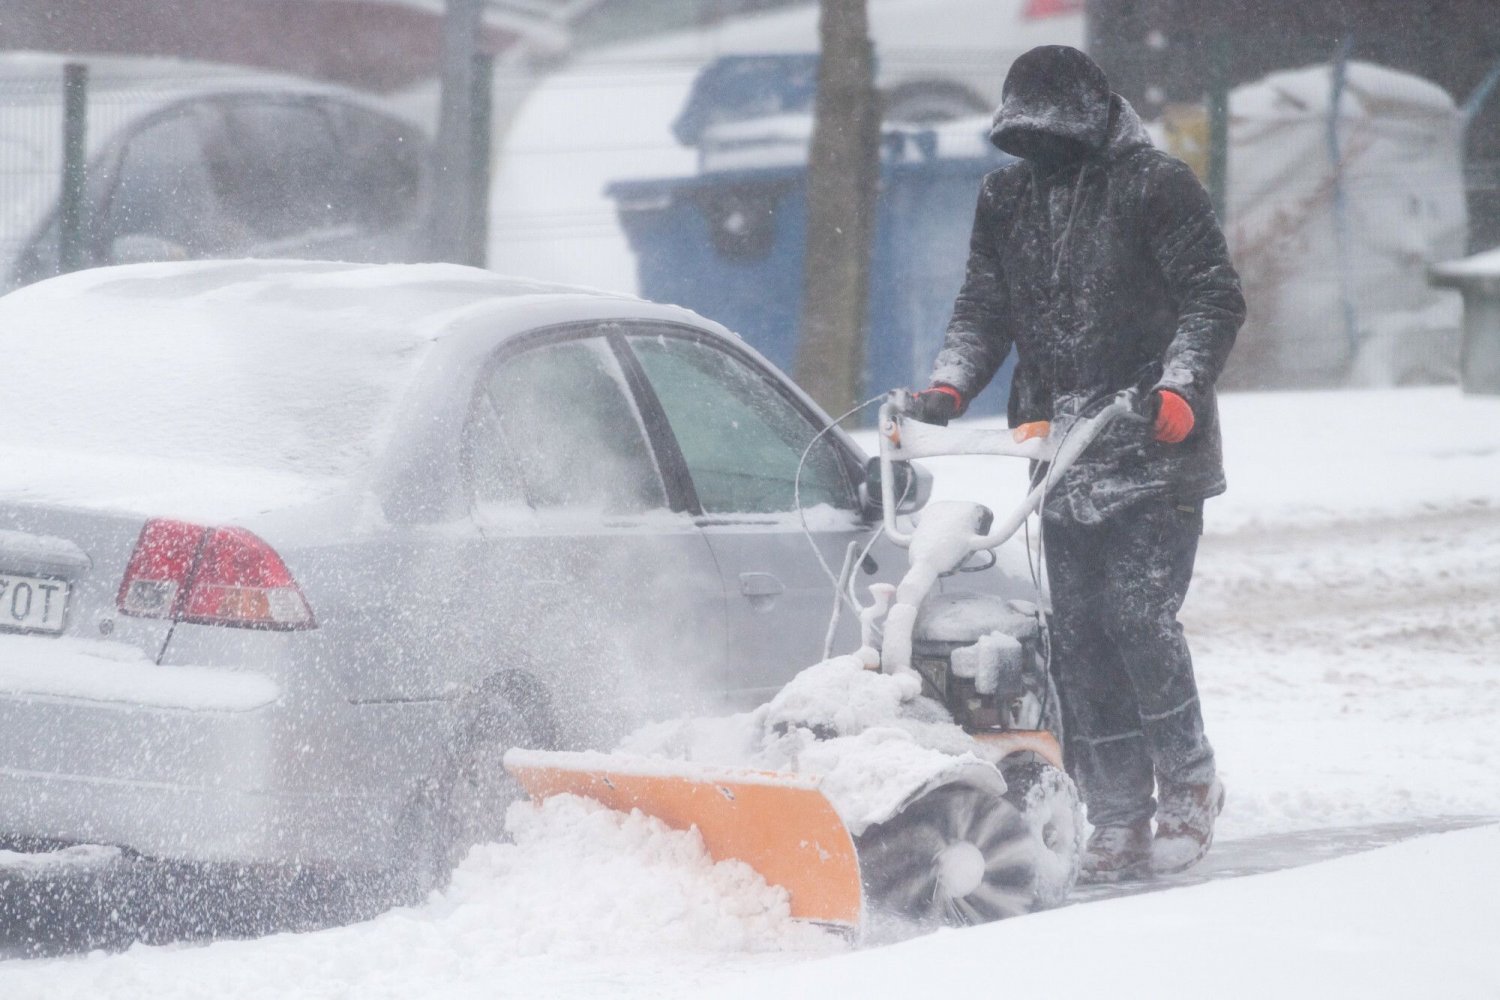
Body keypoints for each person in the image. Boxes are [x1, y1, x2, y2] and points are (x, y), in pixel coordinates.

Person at [907, 45, 1244, 880]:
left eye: (1056, 135)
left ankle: (1189, 789)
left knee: (1139, 620)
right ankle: (1119, 812)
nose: (1042, 152)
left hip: (1154, 443)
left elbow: (1213, 296)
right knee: (1081, 637)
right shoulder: (1007, 198)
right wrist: (950, 386)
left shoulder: (1155, 187)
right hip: (1063, 452)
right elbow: (984, 306)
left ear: (1091, 121)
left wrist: (1181, 387)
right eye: (1028, 139)